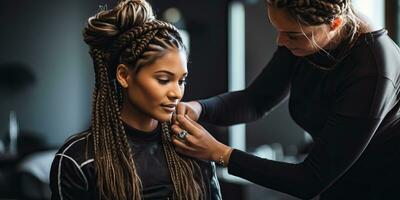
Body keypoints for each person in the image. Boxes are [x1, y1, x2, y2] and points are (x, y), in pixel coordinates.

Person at [171, 0, 400, 199]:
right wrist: (199, 108)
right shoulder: (305, 38)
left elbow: (309, 180)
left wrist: (219, 153)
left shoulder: (373, 71)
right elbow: (255, 101)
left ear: (335, 24)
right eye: (277, 29)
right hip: (336, 186)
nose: (281, 41)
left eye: (292, 34)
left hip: (380, 188)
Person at [49, 0, 222, 199]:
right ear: (124, 76)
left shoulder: (193, 147)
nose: (177, 93)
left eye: (181, 80)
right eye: (164, 80)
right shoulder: (79, 159)